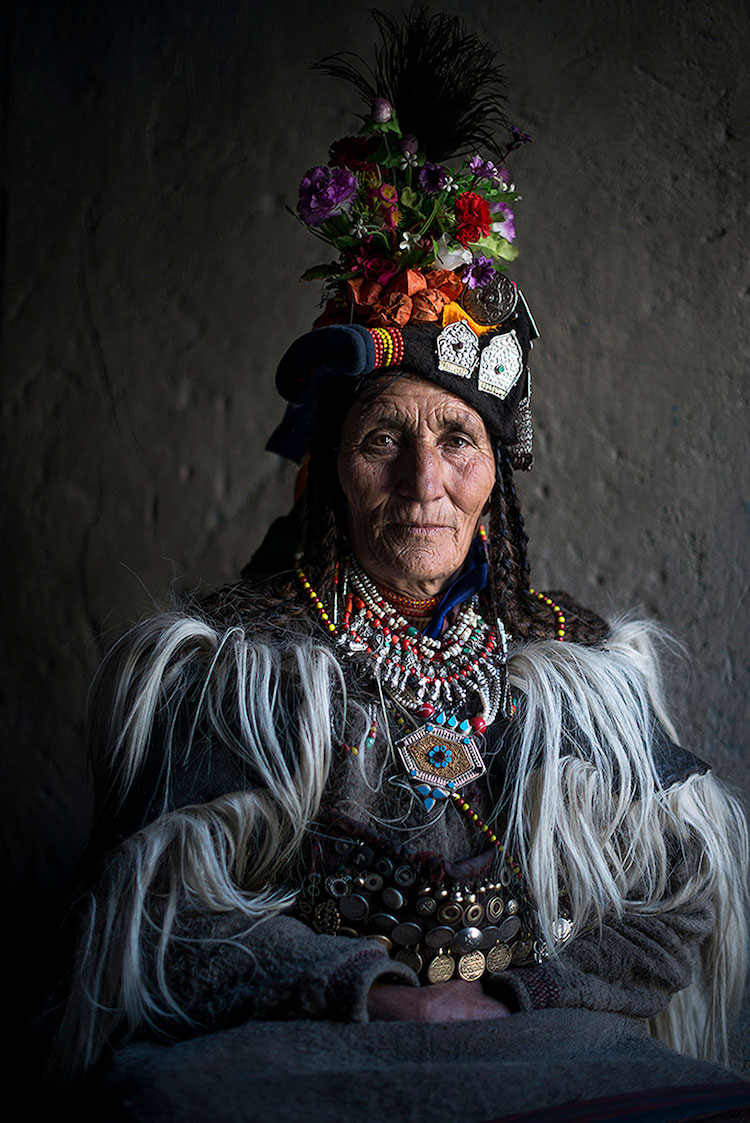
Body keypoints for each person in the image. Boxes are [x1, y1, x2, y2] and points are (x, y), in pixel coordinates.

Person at [55, 11, 749, 1117]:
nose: (425, 479)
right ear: (334, 469)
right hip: (300, 1049)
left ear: (495, 479)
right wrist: (363, 988)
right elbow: (159, 910)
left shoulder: (576, 668)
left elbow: (680, 895)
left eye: (458, 440)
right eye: (384, 437)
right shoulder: (241, 660)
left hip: (540, 1042)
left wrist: (528, 996)